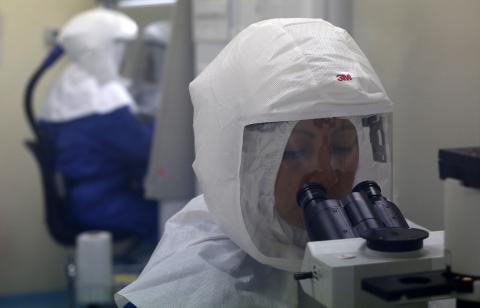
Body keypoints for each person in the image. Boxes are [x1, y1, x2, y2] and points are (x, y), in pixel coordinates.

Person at [115, 18, 399, 307]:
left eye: (341, 148)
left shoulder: (370, 238)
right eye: (294, 153)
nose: (326, 173)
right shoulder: (197, 285)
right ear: (239, 156)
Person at [37, 8, 158, 242]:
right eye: (119, 45)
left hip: (83, 200)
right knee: (169, 218)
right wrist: (159, 117)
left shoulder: (66, 88)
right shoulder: (101, 103)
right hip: (105, 203)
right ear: (102, 47)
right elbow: (146, 153)